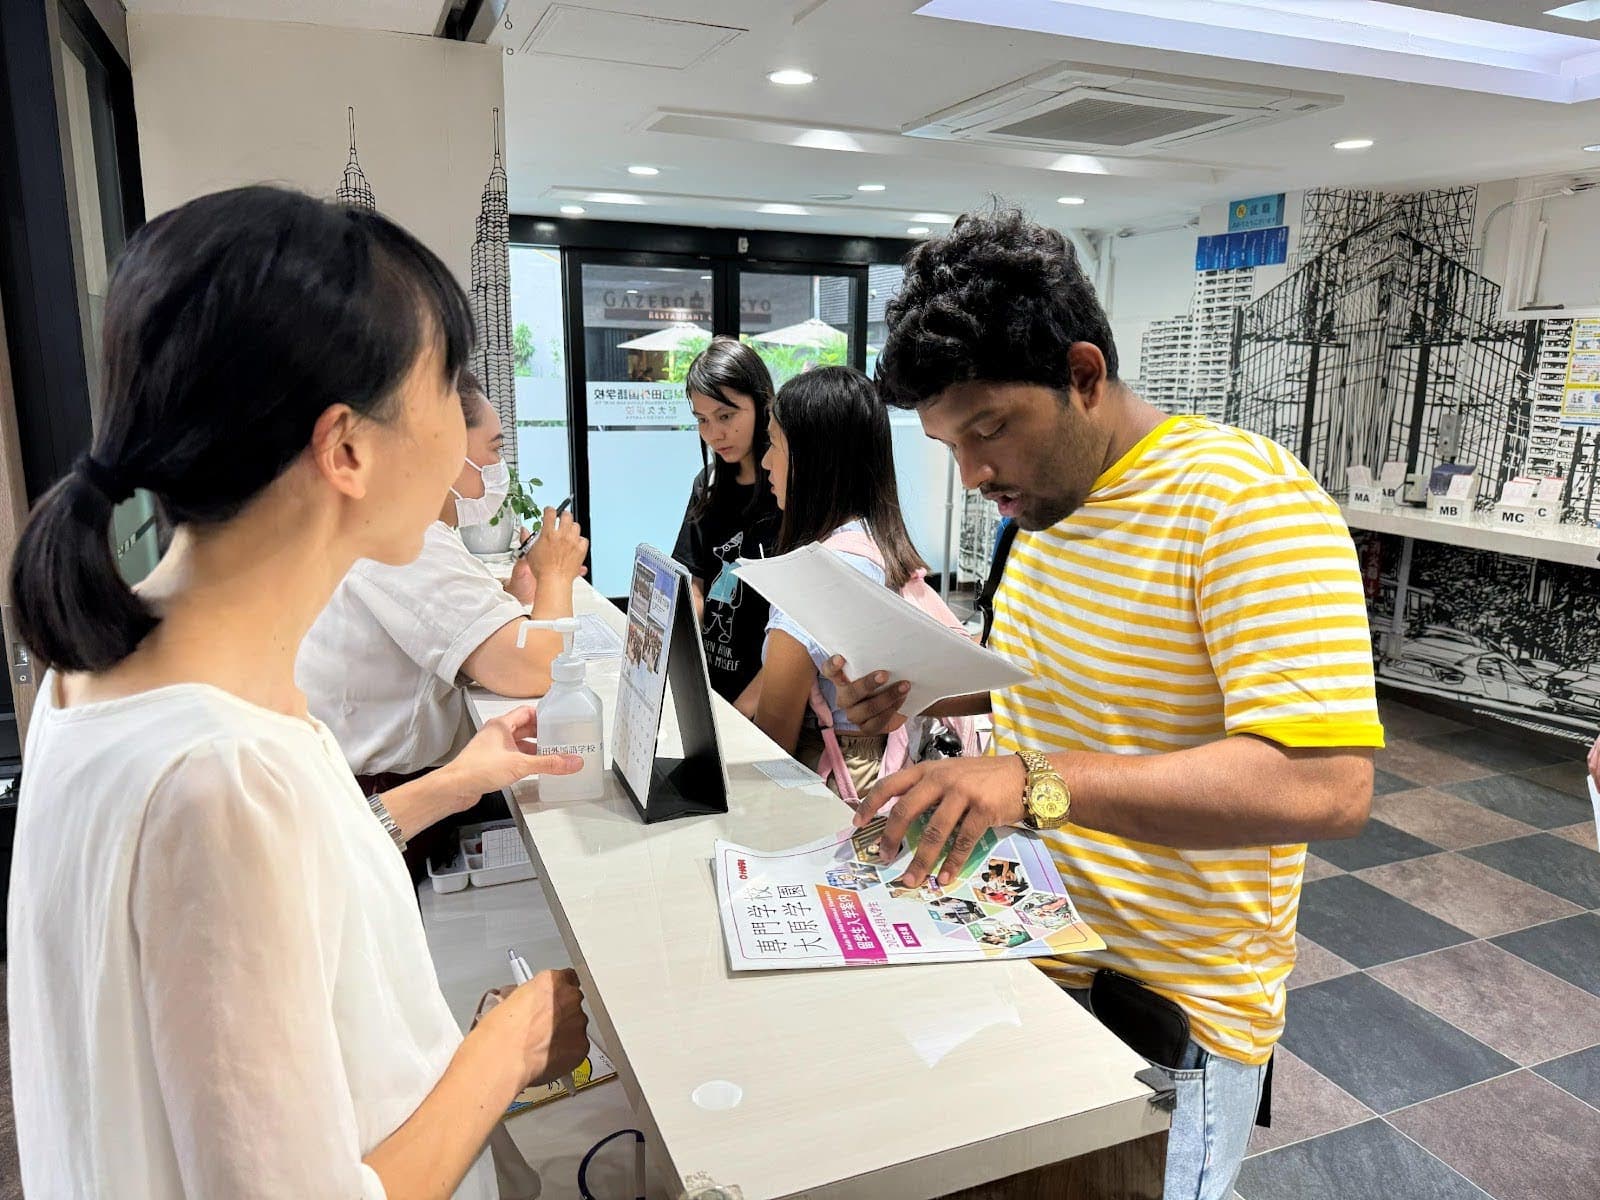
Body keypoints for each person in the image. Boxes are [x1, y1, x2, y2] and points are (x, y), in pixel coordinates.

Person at [6, 185, 590, 1199]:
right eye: (450, 392)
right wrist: (513, 1044)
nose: (466, 439)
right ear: (347, 449)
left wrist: (444, 784)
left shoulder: (98, 661)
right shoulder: (222, 775)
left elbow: (259, 901)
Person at [827, 209, 1382, 1200]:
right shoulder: (1044, 510)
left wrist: (1035, 782)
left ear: (1083, 376)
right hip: (1033, 952)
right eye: (950, 444)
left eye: (989, 428)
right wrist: (917, 692)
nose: (974, 472)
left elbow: (1326, 786)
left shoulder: (1244, 505)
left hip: (1162, 1012)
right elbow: (1051, 691)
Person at [297, 368, 588, 793]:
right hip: (379, 795)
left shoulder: (402, 525)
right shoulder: (404, 537)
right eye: (494, 448)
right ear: (442, 445)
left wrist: (523, 589)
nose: (497, 467)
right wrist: (558, 573)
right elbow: (538, 668)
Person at [749, 366, 929, 797]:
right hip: (886, 768)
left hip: (830, 784)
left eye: (774, 444)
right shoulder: (873, 543)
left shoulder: (818, 575)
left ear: (814, 461)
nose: (765, 461)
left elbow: (772, 736)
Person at [671, 337, 781, 713]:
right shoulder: (709, 483)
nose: (713, 433)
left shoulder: (786, 490)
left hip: (766, 698)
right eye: (702, 419)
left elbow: (797, 633)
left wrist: (743, 713)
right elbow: (693, 582)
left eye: (725, 416)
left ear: (762, 403)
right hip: (709, 688)